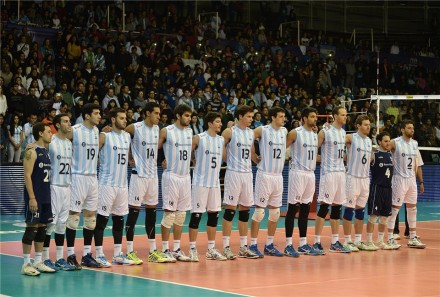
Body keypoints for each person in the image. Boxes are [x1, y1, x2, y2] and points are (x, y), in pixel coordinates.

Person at [124, 102, 172, 264]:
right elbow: (120, 137)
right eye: (157, 113)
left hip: (153, 176)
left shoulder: (157, 129)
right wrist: (129, 156)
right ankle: (129, 251)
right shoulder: (134, 128)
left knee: (152, 213)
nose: (160, 116)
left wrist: (164, 159)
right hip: (139, 176)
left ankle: (153, 251)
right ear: (147, 113)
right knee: (134, 213)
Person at [93, 108, 135, 267]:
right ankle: (99, 254)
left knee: (119, 220)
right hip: (107, 184)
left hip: (122, 185)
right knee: (102, 220)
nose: (125, 120)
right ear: (112, 120)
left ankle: (118, 254)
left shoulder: (126, 137)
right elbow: (91, 151)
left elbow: (129, 156)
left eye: (126, 118)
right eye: (122, 118)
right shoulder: (105, 136)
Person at [65, 103, 102, 269]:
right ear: (87, 115)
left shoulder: (96, 131)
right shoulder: (75, 130)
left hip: (93, 178)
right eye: (96, 113)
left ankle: (87, 254)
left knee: (91, 218)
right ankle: (71, 255)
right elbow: (56, 138)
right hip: (78, 177)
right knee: (73, 217)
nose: (99, 116)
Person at [221, 105, 259, 260]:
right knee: (230, 210)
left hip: (247, 174)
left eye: (252, 117)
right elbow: (220, 146)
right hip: (234, 173)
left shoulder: (251, 133)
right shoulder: (230, 131)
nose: (251, 119)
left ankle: (243, 246)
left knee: (245, 210)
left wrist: (258, 160)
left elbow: (252, 153)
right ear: (240, 116)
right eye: (249, 116)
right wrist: (226, 159)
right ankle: (226, 247)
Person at [188, 112, 227, 262]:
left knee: (213, 216)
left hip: (215, 184)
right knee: (196, 216)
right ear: (209, 123)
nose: (220, 124)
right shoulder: (199, 138)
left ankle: (211, 249)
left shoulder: (221, 140)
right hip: (200, 183)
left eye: (220, 122)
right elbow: (188, 153)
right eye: (217, 122)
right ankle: (192, 248)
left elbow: (224, 157)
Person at [249, 106, 288, 257]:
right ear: (272, 117)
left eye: (284, 116)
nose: (283, 119)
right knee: (259, 212)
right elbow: (247, 137)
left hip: (278, 176)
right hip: (264, 174)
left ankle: (269, 244)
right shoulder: (262, 130)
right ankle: (252, 245)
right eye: (280, 116)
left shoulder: (284, 131)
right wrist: (253, 154)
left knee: (275, 212)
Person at [158, 104, 193, 262]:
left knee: (181, 215)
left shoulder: (190, 132)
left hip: (185, 177)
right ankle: (165, 249)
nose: (189, 118)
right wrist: (161, 161)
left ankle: (177, 248)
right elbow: (155, 147)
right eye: (186, 115)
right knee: (169, 214)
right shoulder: (167, 131)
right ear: (178, 116)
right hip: (171, 176)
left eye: (190, 116)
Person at [284, 107, 321, 257]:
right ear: (304, 118)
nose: (315, 119)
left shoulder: (314, 135)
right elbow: (282, 148)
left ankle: (303, 243)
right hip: (297, 173)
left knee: (305, 210)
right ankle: (288, 245)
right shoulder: (295, 133)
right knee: (293, 209)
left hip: (310, 174)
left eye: (315, 116)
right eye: (312, 116)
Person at [41, 114, 76, 271]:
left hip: (67, 187)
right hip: (54, 186)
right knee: (50, 224)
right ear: (57, 124)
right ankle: (45, 258)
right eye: (65, 121)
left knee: (62, 224)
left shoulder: (69, 143)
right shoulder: (51, 142)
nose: (69, 124)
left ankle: (60, 258)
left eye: (69, 121)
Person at [314, 106, 350, 254]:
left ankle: (335, 241)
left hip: (341, 173)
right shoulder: (325, 131)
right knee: (324, 208)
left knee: (337, 208)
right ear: (334, 116)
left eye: (346, 115)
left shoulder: (343, 133)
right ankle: (316, 241)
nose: (345, 117)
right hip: (328, 173)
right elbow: (312, 147)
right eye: (342, 115)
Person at [21, 123, 56, 276]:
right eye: (49, 132)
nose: (51, 134)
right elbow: (27, 176)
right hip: (35, 197)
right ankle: (26, 263)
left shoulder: (46, 151)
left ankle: (38, 261)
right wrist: (32, 198)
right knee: (31, 228)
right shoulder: (31, 151)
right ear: (41, 133)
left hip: (45, 196)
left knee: (42, 228)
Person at [386, 120, 426, 248]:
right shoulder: (395, 142)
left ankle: (413, 237)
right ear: (402, 129)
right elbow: (383, 146)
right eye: (409, 128)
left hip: (411, 180)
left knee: (412, 209)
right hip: (399, 179)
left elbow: (417, 163)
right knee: (395, 209)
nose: (412, 130)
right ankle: (389, 238)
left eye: (413, 128)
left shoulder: (415, 144)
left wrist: (420, 181)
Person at [342, 114, 375, 252]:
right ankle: (347, 240)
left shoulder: (368, 141)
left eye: (369, 124)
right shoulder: (351, 137)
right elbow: (338, 139)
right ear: (358, 126)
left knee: (360, 211)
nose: (369, 127)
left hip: (365, 179)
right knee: (349, 209)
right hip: (352, 177)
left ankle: (357, 240)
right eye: (366, 124)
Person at [365, 131, 400, 250]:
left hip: (388, 189)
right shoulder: (374, 154)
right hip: (377, 188)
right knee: (374, 216)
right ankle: (368, 241)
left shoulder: (391, 155)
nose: (388, 143)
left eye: (389, 141)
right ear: (379, 142)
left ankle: (380, 240)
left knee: (385, 217)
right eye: (385, 141)